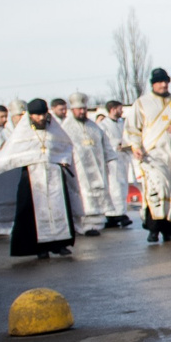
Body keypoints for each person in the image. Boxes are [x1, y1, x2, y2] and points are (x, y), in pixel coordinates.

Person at [0, 97, 83, 258]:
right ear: (30, 116)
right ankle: (39, 248)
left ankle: (60, 244)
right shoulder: (21, 133)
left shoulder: (55, 131)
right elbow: (9, 156)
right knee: (32, 214)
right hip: (32, 179)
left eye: (43, 114)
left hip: (54, 177)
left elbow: (66, 148)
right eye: (37, 115)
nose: (41, 118)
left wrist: (62, 161)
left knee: (59, 210)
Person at [127, 70, 171, 243]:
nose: (163, 85)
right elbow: (132, 128)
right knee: (157, 189)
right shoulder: (142, 103)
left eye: (166, 81)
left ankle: (170, 231)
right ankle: (154, 230)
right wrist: (135, 146)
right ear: (153, 84)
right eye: (160, 82)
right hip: (152, 154)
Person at [57, 94, 117, 236]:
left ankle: (96, 224)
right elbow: (60, 148)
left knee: (97, 193)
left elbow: (106, 144)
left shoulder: (94, 127)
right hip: (77, 170)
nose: (82, 112)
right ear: (72, 110)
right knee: (81, 195)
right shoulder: (65, 128)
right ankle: (82, 225)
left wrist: (110, 159)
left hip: (97, 168)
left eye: (84, 109)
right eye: (79, 109)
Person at [98, 99, 135, 228]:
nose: (122, 111)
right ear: (113, 109)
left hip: (123, 158)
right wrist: (117, 144)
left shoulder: (122, 123)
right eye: (120, 108)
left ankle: (120, 212)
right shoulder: (103, 125)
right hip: (112, 160)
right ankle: (115, 214)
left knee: (123, 187)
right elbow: (104, 142)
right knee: (114, 187)